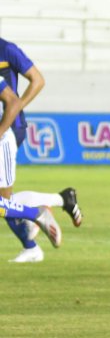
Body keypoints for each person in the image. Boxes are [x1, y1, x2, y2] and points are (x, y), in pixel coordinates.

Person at [0, 37, 82, 263]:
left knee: (3, 201)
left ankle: (34, 232)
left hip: (9, 127)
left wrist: (16, 108)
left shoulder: (7, 50)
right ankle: (59, 202)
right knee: (5, 200)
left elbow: (37, 80)